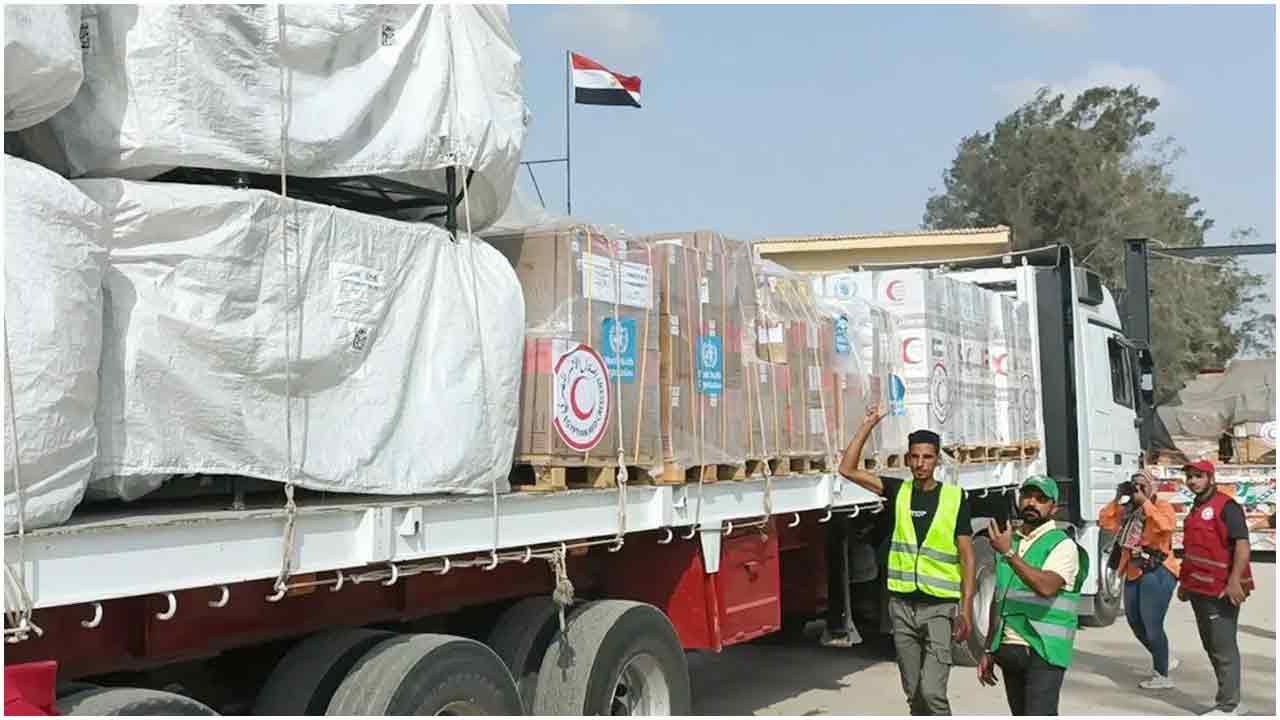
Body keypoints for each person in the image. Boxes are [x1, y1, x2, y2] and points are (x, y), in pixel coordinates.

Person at [838, 405, 974, 716]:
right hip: (901, 608)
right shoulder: (898, 491)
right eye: (914, 457)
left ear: (937, 460)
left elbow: (967, 556)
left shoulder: (954, 499)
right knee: (914, 694)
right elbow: (847, 469)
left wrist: (965, 608)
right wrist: (869, 424)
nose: (920, 463)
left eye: (927, 457)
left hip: (939, 608)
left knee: (933, 692)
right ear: (908, 459)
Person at [978, 475, 1088, 716]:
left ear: (1053, 507)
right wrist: (989, 649)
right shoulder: (1012, 540)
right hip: (1010, 648)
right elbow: (1000, 598)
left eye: (1041, 499)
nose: (1032, 503)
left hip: (1044, 650)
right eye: (1027, 496)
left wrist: (1009, 554)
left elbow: (1047, 586)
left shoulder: (1062, 545)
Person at [1177, 460, 1254, 716]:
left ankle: (1228, 706)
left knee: (1223, 647)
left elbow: (1242, 545)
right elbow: (1192, 549)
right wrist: (1184, 582)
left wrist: (1234, 581)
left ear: (1211, 478)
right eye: (1189, 477)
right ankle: (1231, 698)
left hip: (1221, 590)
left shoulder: (1227, 507)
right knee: (1211, 645)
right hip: (1198, 588)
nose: (1192, 481)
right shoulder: (1196, 507)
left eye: (1198, 476)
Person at [1099, 468, 1182, 689]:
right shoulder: (1127, 510)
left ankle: (1162, 675)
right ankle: (1163, 656)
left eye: (1142, 485)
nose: (1137, 489)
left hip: (1158, 569)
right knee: (1135, 622)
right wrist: (1117, 498)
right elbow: (1105, 521)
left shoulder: (1162, 506)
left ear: (1151, 487)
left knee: (1152, 623)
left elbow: (1166, 526)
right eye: (1134, 485)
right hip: (1133, 569)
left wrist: (1145, 503)